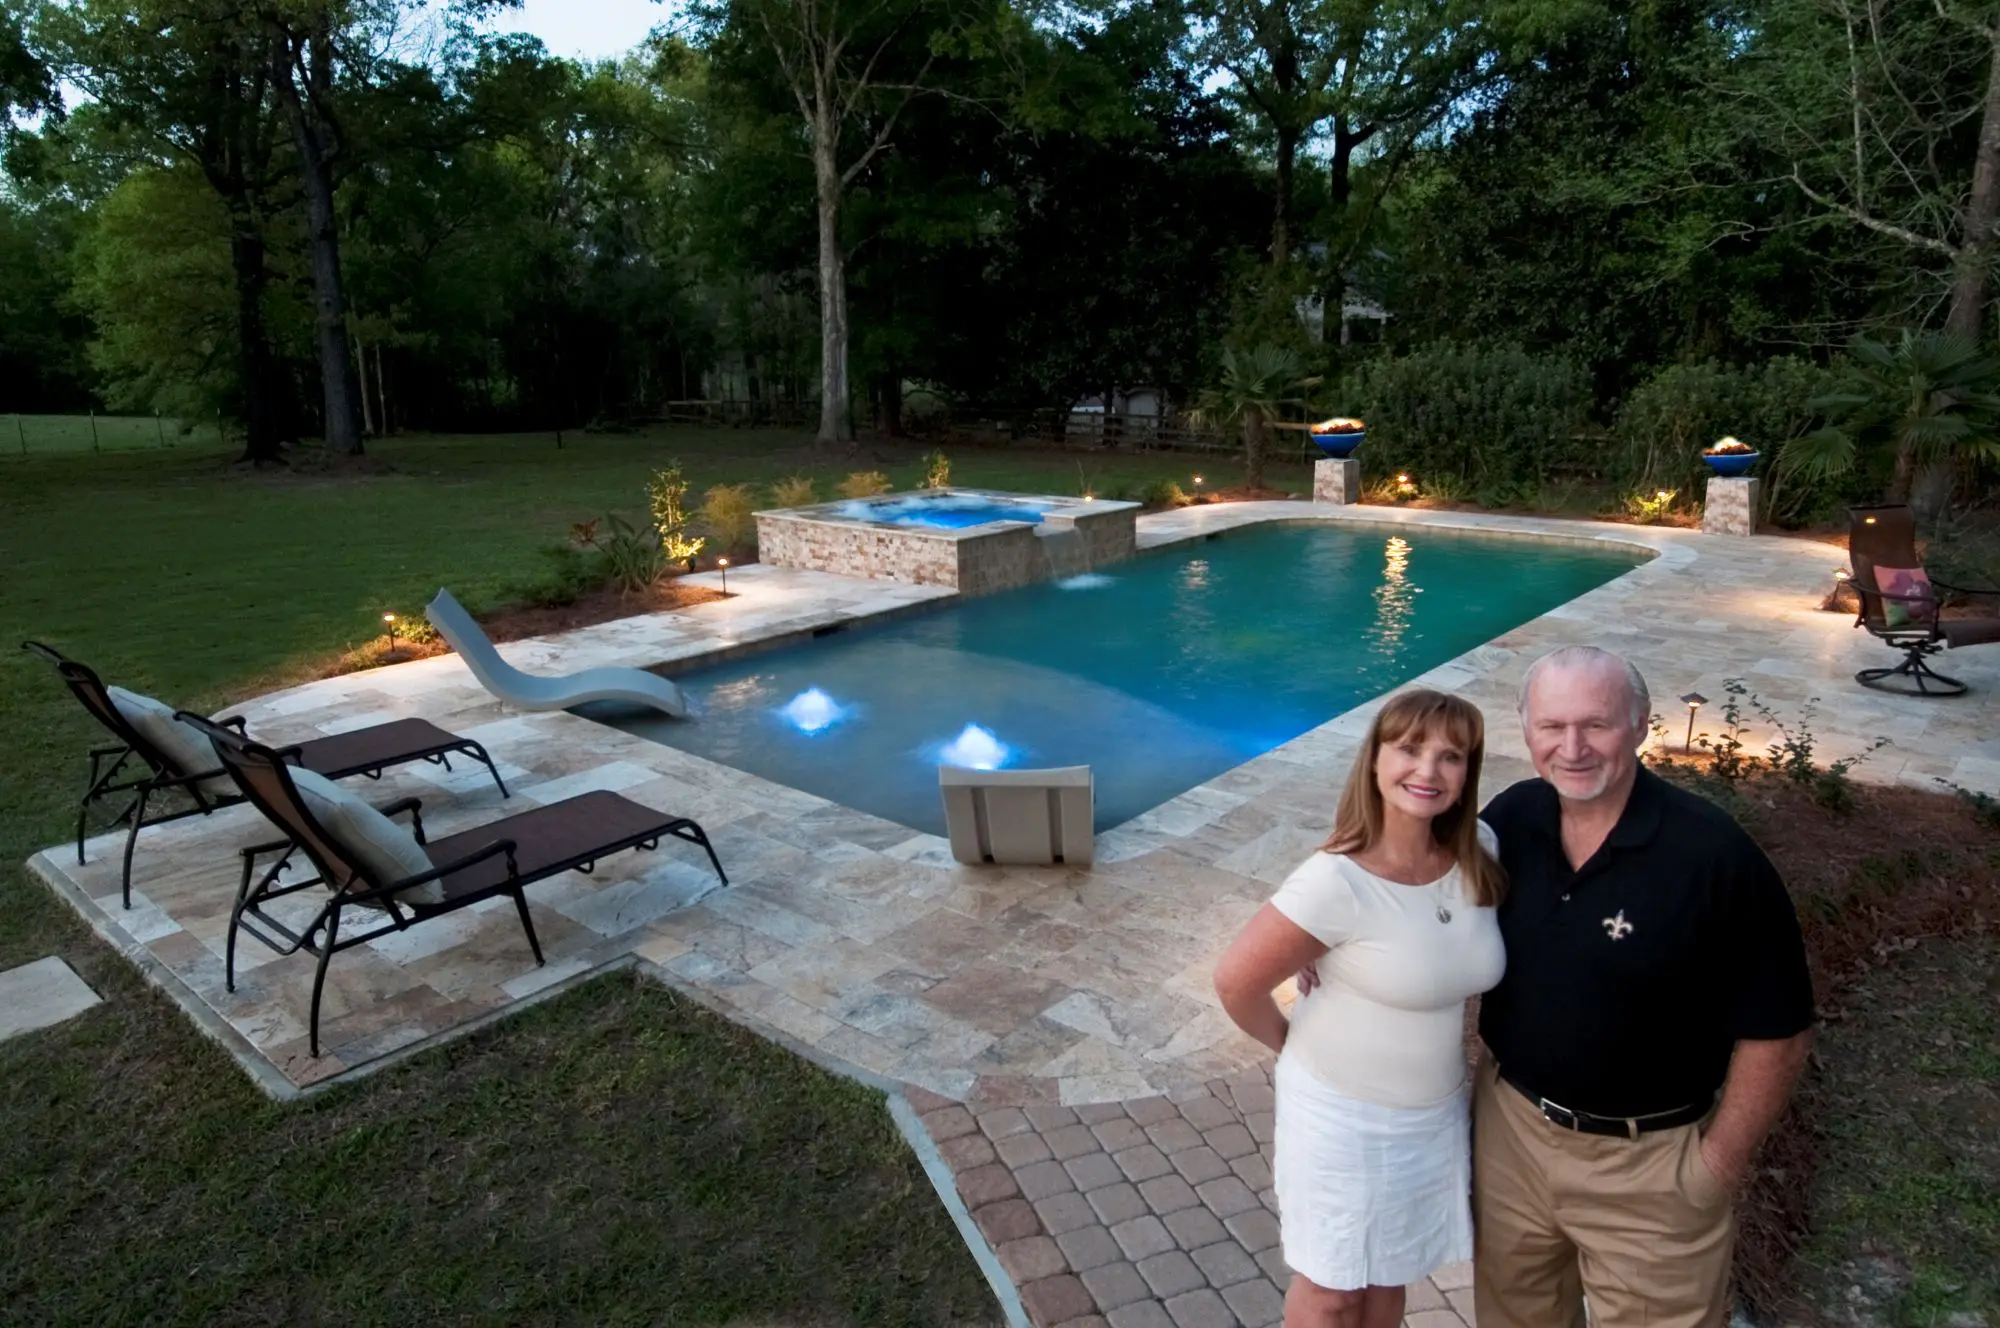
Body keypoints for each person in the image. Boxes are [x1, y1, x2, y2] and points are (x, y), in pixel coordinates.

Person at [1473, 645, 1815, 1328]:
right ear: (1526, 730)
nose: (1572, 748)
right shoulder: (1511, 821)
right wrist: (1326, 940)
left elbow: (1778, 1033)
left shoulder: (1711, 857)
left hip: (1650, 1168)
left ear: (1640, 725)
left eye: (1596, 724)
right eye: (1551, 726)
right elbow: (1417, 885)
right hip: (1511, 1137)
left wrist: (1714, 1169)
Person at [1214, 689, 1507, 1328]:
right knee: (1332, 1294)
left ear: (1468, 773)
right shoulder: (1335, 880)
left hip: (1432, 1116)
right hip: (1341, 1120)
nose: (1427, 771)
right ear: (1374, 761)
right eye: (1408, 749)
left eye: (1450, 756)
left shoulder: (1479, 851)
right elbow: (1236, 982)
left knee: (1388, 1279)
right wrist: (1291, 1043)